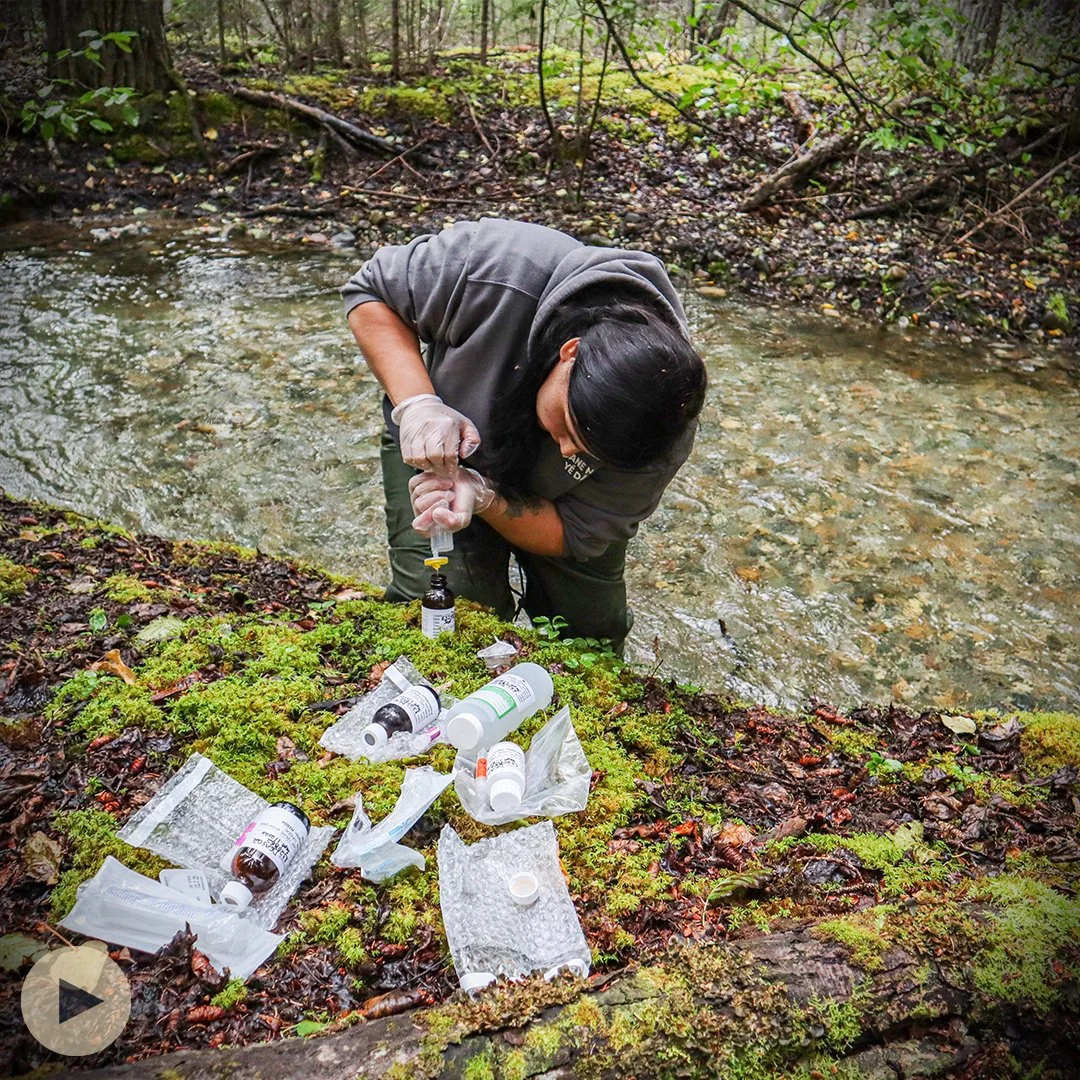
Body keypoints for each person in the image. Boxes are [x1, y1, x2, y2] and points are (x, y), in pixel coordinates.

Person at [342, 218, 706, 651]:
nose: (569, 451)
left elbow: (570, 533)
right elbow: (371, 295)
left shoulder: (662, 429)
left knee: (588, 634)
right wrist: (418, 404)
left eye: (591, 453)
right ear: (570, 352)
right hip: (439, 448)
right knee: (450, 609)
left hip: (562, 503)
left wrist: (486, 498)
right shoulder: (499, 268)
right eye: (571, 428)